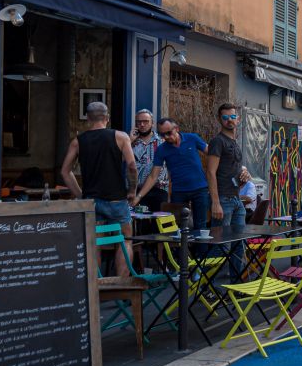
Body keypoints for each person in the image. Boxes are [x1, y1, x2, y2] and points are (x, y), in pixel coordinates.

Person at [61, 101, 137, 277]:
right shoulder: (121, 137)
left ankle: (95, 289)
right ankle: (122, 286)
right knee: (125, 241)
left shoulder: (78, 141)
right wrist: (132, 191)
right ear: (107, 118)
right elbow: (132, 166)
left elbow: (65, 172)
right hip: (117, 201)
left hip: (92, 202)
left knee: (95, 243)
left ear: (88, 118)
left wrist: (81, 195)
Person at [135, 117, 210, 231]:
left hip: (200, 189)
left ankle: (200, 249)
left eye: (169, 133)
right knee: (176, 227)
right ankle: (179, 249)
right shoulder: (162, 149)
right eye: (162, 134)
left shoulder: (192, 138)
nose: (166, 137)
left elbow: (212, 153)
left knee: (201, 226)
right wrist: (139, 196)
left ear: (177, 129)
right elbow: (153, 176)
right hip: (179, 191)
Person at [205, 103, 246, 277]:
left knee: (238, 244)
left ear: (238, 119)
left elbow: (231, 170)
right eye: (225, 117)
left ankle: (236, 285)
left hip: (236, 199)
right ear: (219, 120)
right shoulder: (218, 141)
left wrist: (244, 175)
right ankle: (206, 286)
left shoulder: (235, 142)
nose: (230, 120)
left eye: (232, 117)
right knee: (220, 245)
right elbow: (210, 172)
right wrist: (215, 202)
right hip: (223, 200)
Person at [131, 109, 169, 212]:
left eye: (146, 121)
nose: (142, 124)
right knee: (140, 226)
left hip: (158, 190)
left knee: (157, 225)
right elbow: (118, 160)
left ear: (152, 123)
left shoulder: (162, 142)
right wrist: (129, 141)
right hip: (135, 191)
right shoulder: (130, 142)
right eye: (139, 122)